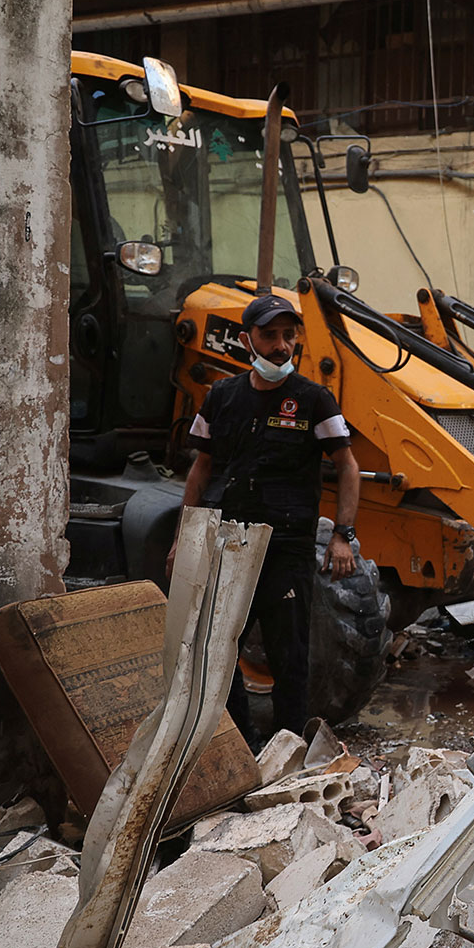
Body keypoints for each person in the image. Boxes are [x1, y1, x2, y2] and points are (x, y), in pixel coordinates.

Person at [175, 293, 361, 747]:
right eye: (270, 335)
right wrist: (186, 538)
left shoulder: (314, 400)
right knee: (218, 646)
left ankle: (287, 750)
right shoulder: (222, 396)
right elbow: (202, 466)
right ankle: (243, 744)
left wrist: (343, 535)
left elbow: (348, 467)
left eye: (288, 335)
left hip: (288, 547)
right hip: (231, 542)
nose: (281, 346)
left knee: (289, 656)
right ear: (246, 340)